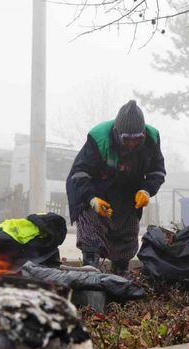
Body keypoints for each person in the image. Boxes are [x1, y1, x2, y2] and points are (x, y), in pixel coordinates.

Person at [66, 100, 166, 275]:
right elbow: (80, 173)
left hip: (128, 192)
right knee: (91, 231)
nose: (132, 144)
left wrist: (146, 190)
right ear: (117, 133)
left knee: (126, 236)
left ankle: (120, 275)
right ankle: (91, 274)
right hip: (96, 191)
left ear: (143, 134)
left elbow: (157, 171)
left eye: (137, 139)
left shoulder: (152, 138)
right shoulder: (99, 138)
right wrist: (91, 199)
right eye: (127, 139)